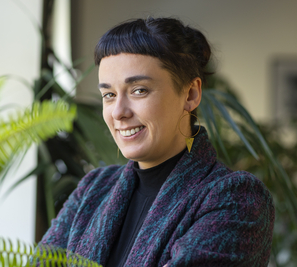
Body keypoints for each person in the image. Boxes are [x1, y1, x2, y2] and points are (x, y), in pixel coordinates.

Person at [40, 17, 274, 266]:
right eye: (108, 95)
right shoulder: (93, 189)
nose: (118, 112)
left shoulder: (234, 198)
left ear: (191, 94)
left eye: (139, 90)